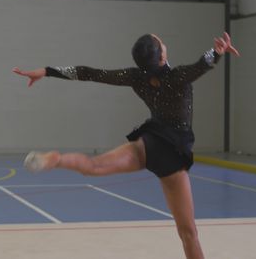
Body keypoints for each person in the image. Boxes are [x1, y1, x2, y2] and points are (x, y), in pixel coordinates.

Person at [13, 32, 239, 259]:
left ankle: (57, 160)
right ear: (161, 57)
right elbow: (201, 65)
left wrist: (47, 71)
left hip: (148, 143)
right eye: (159, 41)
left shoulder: (136, 77)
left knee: (94, 166)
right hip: (172, 153)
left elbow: (89, 73)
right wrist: (218, 52)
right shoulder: (177, 76)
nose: (161, 39)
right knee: (188, 233)